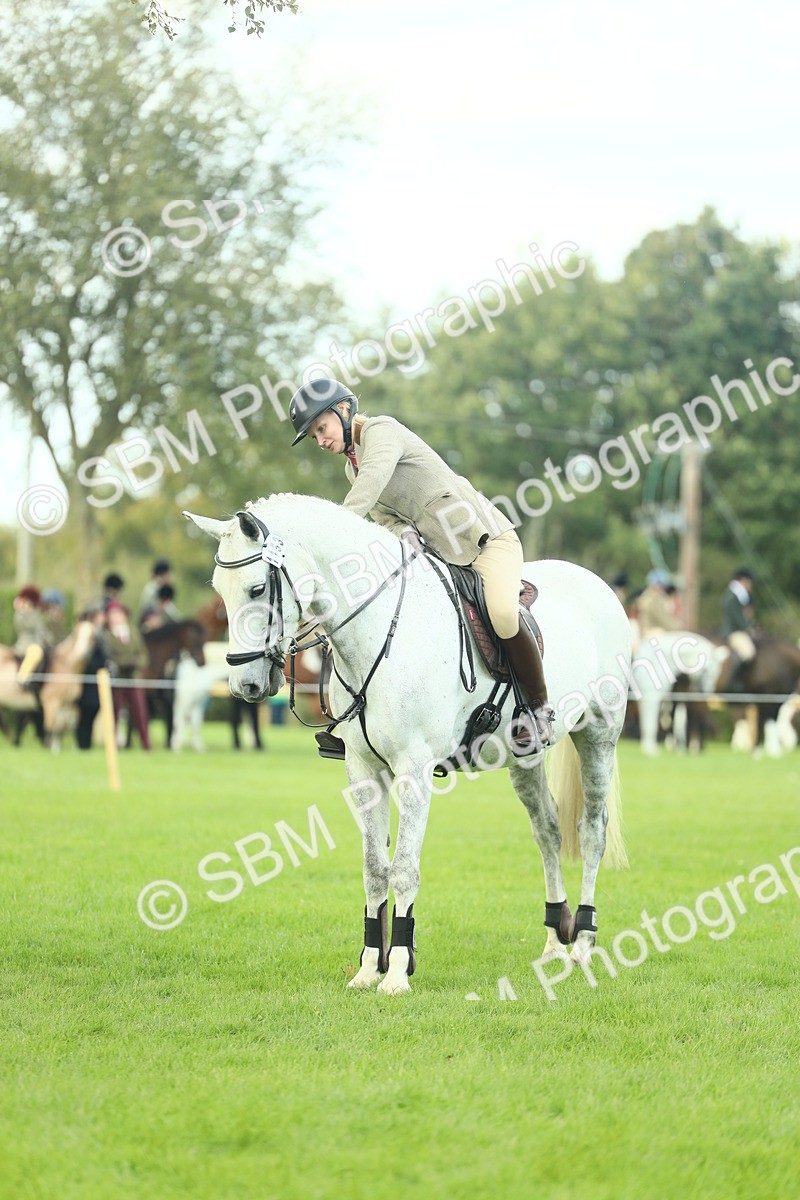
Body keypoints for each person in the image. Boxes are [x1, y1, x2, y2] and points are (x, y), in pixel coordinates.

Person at [288, 378, 555, 753]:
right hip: (438, 557)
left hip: (485, 542)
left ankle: (538, 710)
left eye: (321, 427)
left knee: (502, 613)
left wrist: (330, 531)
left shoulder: (382, 431)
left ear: (344, 410)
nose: (320, 440)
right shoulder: (352, 470)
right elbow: (387, 520)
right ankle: (357, 723)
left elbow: (374, 479)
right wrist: (405, 534)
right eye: (314, 435)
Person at [105, 599, 151, 750]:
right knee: (114, 712)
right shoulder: (107, 636)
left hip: (133, 678)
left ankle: (145, 743)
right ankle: (112, 744)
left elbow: (143, 654)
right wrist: (124, 662)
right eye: (111, 615)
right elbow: (109, 657)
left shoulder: (133, 632)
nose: (114, 618)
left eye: (117, 614)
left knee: (140, 711)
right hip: (117, 679)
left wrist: (136, 663)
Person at [721, 567, 756, 691]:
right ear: (744, 580)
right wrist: (748, 628)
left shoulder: (737, 595)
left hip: (739, 631)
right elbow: (737, 617)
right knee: (748, 653)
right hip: (733, 632)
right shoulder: (733, 595)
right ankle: (735, 681)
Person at [635, 569, 683, 639]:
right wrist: (676, 626)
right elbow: (661, 617)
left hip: (646, 633)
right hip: (653, 633)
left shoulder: (646, 596)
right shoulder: (655, 599)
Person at [12, 585, 47, 662]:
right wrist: (26, 611)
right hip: (26, 645)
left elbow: (41, 629)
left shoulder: (35, 613)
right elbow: (28, 626)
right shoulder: (20, 614)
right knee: (35, 653)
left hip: (39, 644)